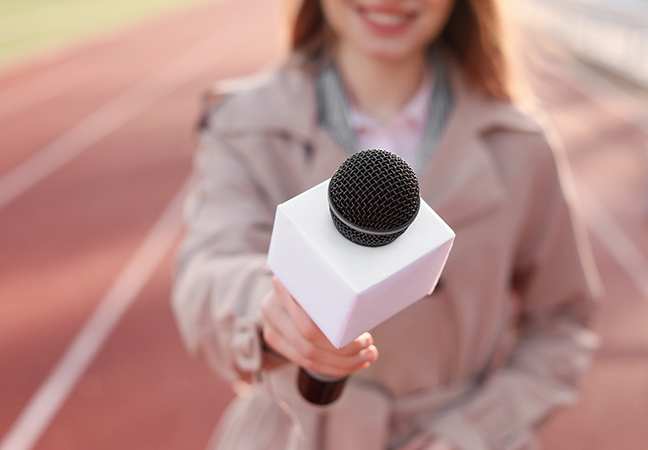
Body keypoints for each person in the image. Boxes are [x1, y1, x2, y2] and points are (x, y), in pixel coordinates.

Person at [171, 0, 601, 449]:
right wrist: (271, 315)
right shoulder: (244, 122)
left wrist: (476, 432)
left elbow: (562, 321)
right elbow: (208, 270)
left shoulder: (521, 145)